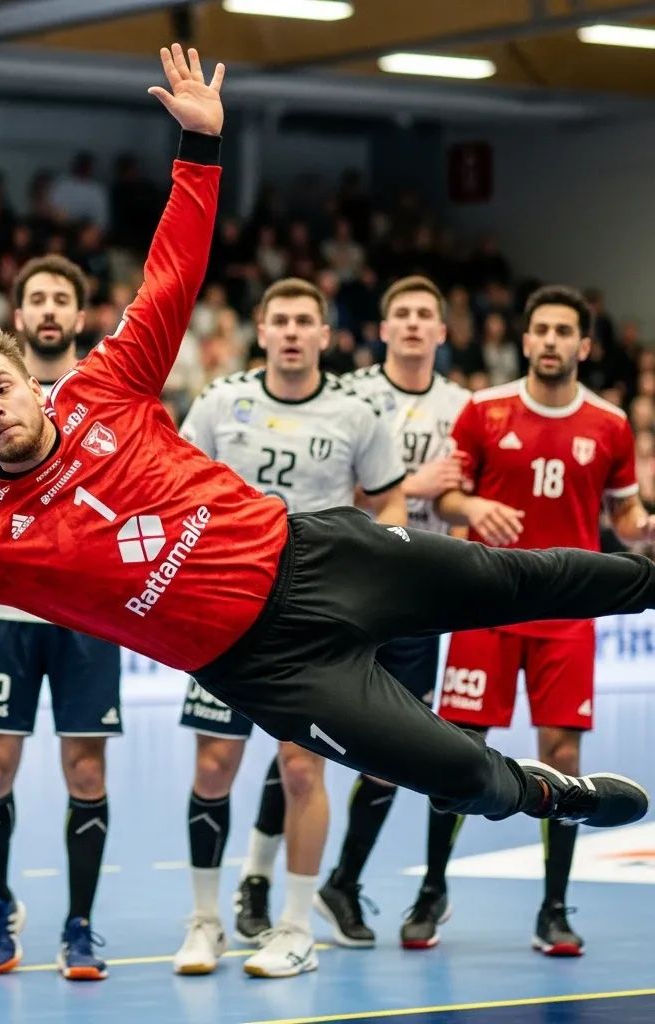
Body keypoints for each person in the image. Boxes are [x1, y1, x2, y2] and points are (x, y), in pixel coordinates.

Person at [0, 47, 652, 966]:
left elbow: (175, 267)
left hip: (318, 558)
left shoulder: (105, 384)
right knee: (454, 773)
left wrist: (200, 141)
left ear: (31, 385)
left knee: (523, 578)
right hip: (265, 665)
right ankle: (546, 795)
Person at [401, 284, 650, 957]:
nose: (549, 341)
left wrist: (644, 527)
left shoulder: (610, 425)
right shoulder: (483, 412)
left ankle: (554, 908)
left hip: (567, 613)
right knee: (454, 749)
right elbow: (446, 497)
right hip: (485, 602)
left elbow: (626, 521)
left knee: (563, 756)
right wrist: (472, 509)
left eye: (563, 331)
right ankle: (431, 890)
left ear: (584, 346)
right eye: (539, 329)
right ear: (526, 339)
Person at [172, 277, 407, 978]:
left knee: (304, 766)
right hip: (223, 610)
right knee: (214, 767)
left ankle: (297, 927)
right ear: (262, 330)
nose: (295, 332)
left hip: (315, 616)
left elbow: (389, 498)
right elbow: (177, 486)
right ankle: (205, 920)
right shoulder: (220, 403)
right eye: (282, 320)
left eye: (307, 321)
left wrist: (376, 577)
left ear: (326, 335)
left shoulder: (355, 412)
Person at [0, 254, 122, 981]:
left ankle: (80, 925)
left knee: (86, 770)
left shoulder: (97, 394)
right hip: (5, 614)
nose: (47, 308)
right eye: (34, 297)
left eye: (59, 298)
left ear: (76, 314)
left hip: (88, 616)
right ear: (20, 313)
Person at [306, 276, 470, 947]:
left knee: (422, 742)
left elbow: (478, 486)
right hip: (354, 587)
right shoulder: (352, 396)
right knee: (307, 737)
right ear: (382, 326)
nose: (411, 324)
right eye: (400, 313)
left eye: (424, 314)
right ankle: (284, 884)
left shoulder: (467, 405)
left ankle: (400, 886)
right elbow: (327, 485)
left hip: (430, 595)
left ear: (441, 330)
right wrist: (411, 486)